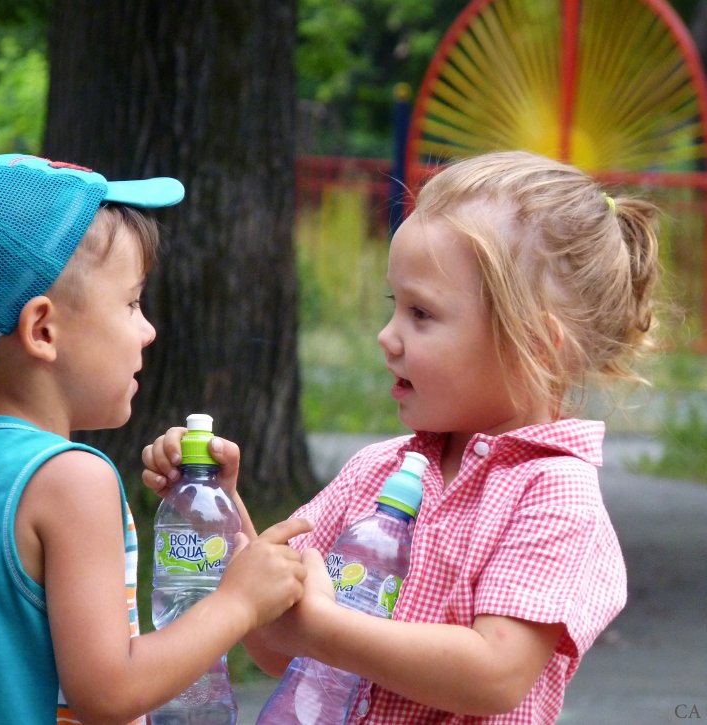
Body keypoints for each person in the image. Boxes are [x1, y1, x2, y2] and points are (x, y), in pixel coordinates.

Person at [142, 150, 662, 723]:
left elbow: (495, 674)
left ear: (533, 344)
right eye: (396, 306)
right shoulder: (376, 470)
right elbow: (275, 645)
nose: (387, 336)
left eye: (422, 313)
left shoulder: (553, 495)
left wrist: (325, 627)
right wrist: (218, 504)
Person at [0, 153, 312, 725]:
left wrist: (208, 509)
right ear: (43, 330)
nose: (148, 328)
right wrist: (237, 604)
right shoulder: (71, 479)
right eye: (132, 303)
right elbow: (107, 693)